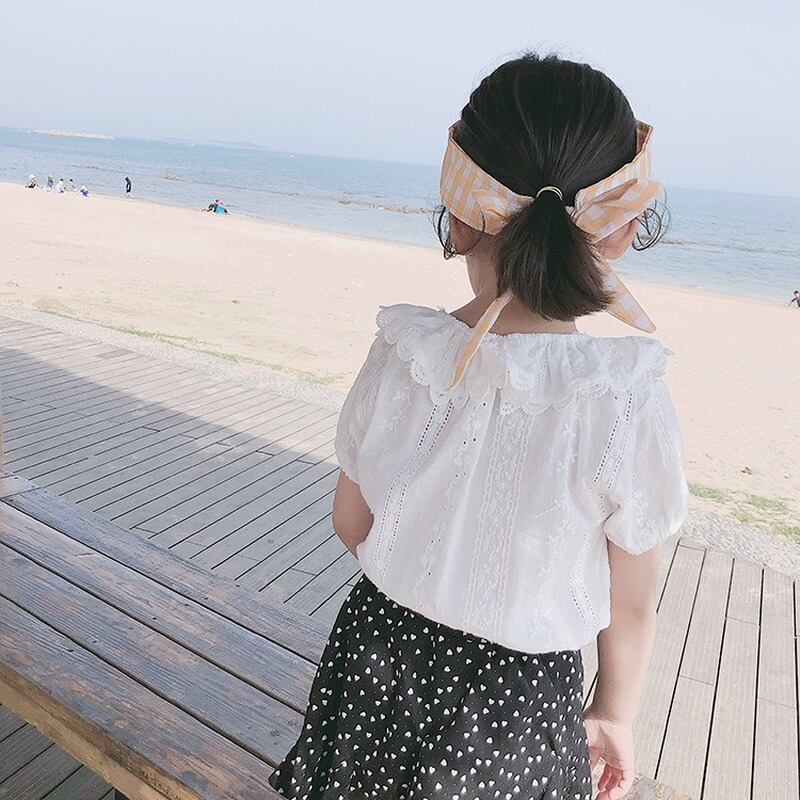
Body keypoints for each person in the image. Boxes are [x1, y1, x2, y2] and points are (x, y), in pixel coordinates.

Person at [268, 53, 689, 800]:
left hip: (377, 661)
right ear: (621, 231)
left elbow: (351, 522)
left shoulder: (402, 352)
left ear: (460, 220)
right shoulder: (623, 401)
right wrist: (612, 714)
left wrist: (431, 571)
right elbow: (631, 602)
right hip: (516, 712)